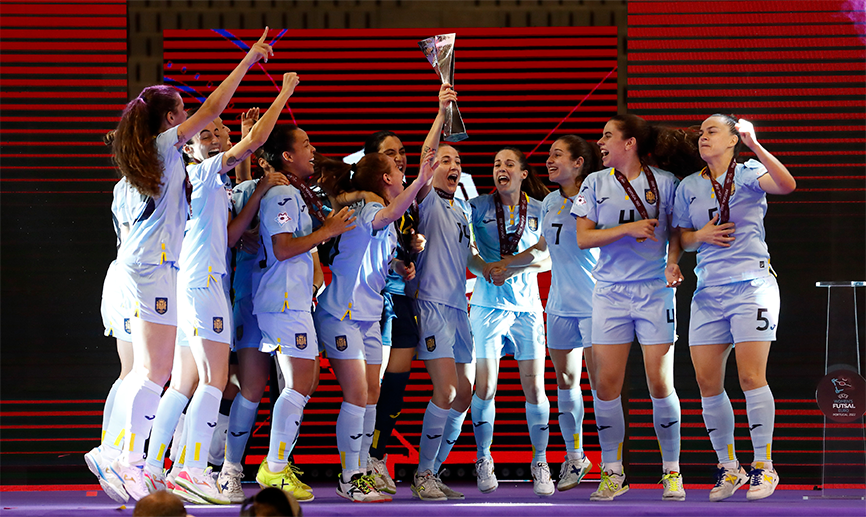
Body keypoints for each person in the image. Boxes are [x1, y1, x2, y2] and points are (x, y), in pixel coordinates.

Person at [95, 28, 275, 503]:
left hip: (145, 267)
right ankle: (128, 459)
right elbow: (214, 107)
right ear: (172, 118)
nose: (192, 120)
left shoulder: (151, 159)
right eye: (182, 112)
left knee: (145, 372)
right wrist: (249, 60)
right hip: (157, 269)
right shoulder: (162, 148)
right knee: (156, 373)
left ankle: (121, 452)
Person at [142, 74, 299, 506]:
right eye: (203, 133)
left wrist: (260, 184)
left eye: (217, 131)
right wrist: (283, 94)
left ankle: (155, 468)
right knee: (212, 382)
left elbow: (231, 236)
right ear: (188, 144)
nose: (211, 137)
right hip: (205, 285)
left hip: (190, 282)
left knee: (184, 383)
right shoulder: (204, 170)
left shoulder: (202, 179)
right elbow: (254, 144)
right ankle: (193, 469)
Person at [573, 114, 702, 502]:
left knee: (660, 384)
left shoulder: (666, 183)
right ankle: (612, 471)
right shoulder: (595, 183)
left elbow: (676, 234)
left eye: (608, 136)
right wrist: (627, 229)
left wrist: (672, 261)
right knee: (606, 385)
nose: (600, 141)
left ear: (629, 143)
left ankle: (671, 471)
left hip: (654, 292)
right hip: (609, 293)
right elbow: (584, 238)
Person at [673, 115, 795, 501]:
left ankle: (764, 466)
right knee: (708, 384)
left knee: (749, 376)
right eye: (701, 133)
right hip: (708, 292)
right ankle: (731, 468)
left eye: (712, 131)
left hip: (752, 286)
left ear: (732, 140)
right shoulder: (689, 185)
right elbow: (681, 237)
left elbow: (786, 185)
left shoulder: (749, 170)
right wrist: (690, 245)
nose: (703, 137)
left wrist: (755, 144)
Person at [314, 149, 435, 502]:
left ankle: (362, 469)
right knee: (356, 395)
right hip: (341, 315)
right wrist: (422, 179)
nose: (402, 174)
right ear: (386, 179)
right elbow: (389, 214)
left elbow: (370, 253)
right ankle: (349, 478)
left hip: (368, 317)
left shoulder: (381, 215)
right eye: (399, 170)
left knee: (372, 395)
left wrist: (397, 266)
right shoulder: (368, 209)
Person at [487, 135, 601, 492]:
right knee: (566, 384)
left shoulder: (599, 196)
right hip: (559, 308)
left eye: (557, 155)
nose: (549, 161)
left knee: (602, 390)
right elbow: (541, 248)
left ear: (579, 162)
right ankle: (576, 457)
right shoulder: (549, 201)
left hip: (598, 305)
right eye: (549, 155)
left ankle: (615, 468)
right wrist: (508, 264)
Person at [251, 124, 356, 502]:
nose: (313, 150)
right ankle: (274, 468)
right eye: (306, 144)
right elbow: (282, 248)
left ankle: (278, 464)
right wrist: (328, 230)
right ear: (287, 156)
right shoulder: (281, 193)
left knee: (304, 383)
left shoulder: (295, 192)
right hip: (280, 301)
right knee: (298, 383)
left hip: (295, 300)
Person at [365, 84, 455, 496]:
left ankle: (377, 457)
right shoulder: (364, 198)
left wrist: (406, 257)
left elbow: (426, 160)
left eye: (402, 151)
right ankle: (359, 462)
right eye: (392, 152)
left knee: (396, 384)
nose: (401, 157)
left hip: (403, 297)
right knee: (370, 388)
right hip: (369, 301)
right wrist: (440, 112)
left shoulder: (413, 197)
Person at [467, 147, 552, 496]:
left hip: (527, 309)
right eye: (496, 164)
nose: (501, 169)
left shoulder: (542, 208)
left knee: (534, 388)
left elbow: (547, 255)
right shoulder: (477, 208)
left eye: (509, 164)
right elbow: (467, 255)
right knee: (485, 387)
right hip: (487, 307)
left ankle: (541, 461)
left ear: (522, 173)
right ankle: (483, 457)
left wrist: (513, 264)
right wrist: (485, 268)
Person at [83, 133, 136, 504]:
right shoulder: (133, 186)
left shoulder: (127, 184)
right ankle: (112, 452)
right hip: (135, 281)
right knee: (137, 372)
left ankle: (113, 451)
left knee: (133, 372)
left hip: (129, 279)